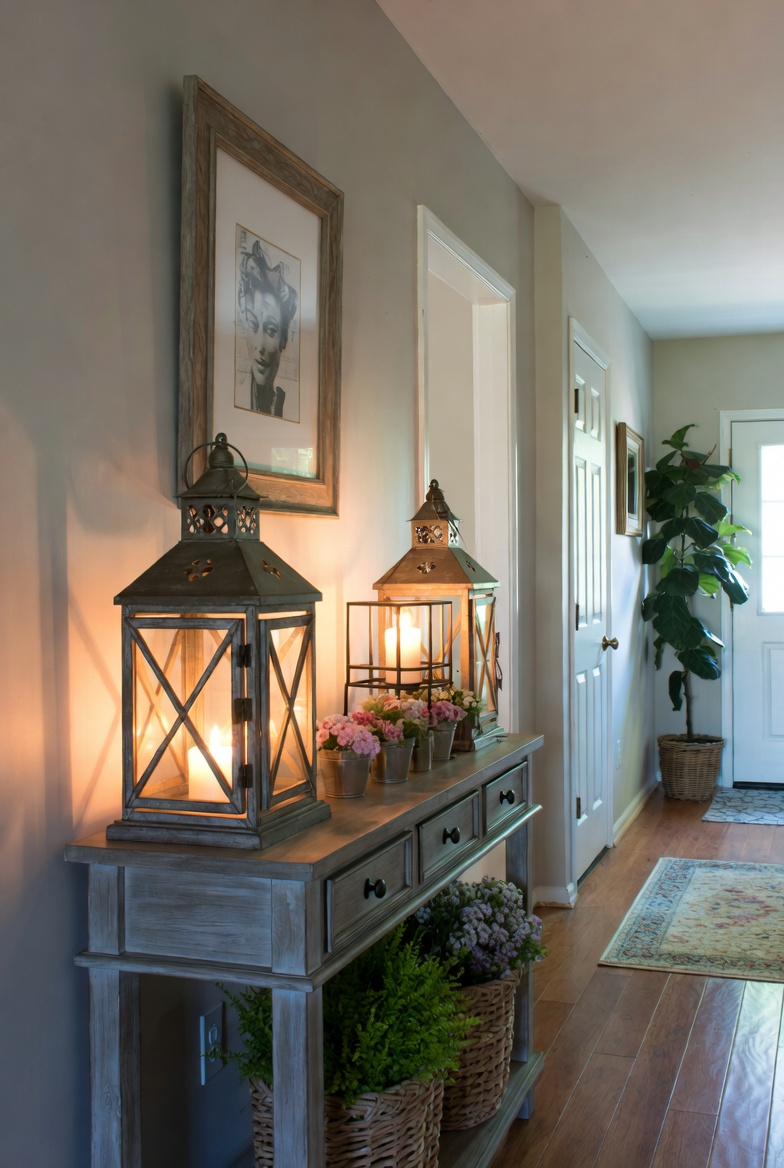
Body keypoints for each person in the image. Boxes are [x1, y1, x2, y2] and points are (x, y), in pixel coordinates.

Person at [237, 239, 298, 417]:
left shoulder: (285, 402)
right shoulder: (239, 394)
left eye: (271, 330)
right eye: (253, 325)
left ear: (283, 340)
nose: (260, 346)